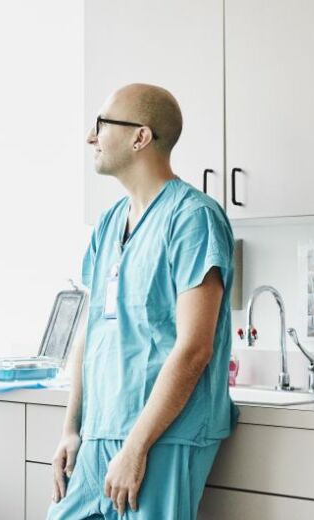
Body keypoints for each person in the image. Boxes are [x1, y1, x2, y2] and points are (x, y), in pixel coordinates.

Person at [47, 84, 237, 520]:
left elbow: (194, 349)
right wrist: (72, 428)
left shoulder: (193, 218)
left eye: (101, 125)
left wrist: (136, 447)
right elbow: (90, 333)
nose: (90, 137)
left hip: (160, 437)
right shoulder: (109, 223)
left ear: (140, 137)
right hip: (99, 433)